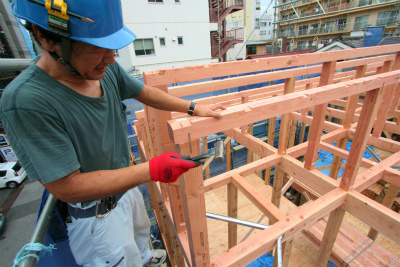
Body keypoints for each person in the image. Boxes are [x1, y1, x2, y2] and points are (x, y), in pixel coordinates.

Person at [0, 1, 225, 266]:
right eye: (97, 48)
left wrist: (194, 107)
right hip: (97, 219)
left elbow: (142, 92)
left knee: (142, 247)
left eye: (112, 48)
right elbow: (67, 187)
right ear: (46, 38)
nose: (110, 58)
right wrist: (152, 170)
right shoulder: (28, 101)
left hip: (127, 189)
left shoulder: (102, 70)